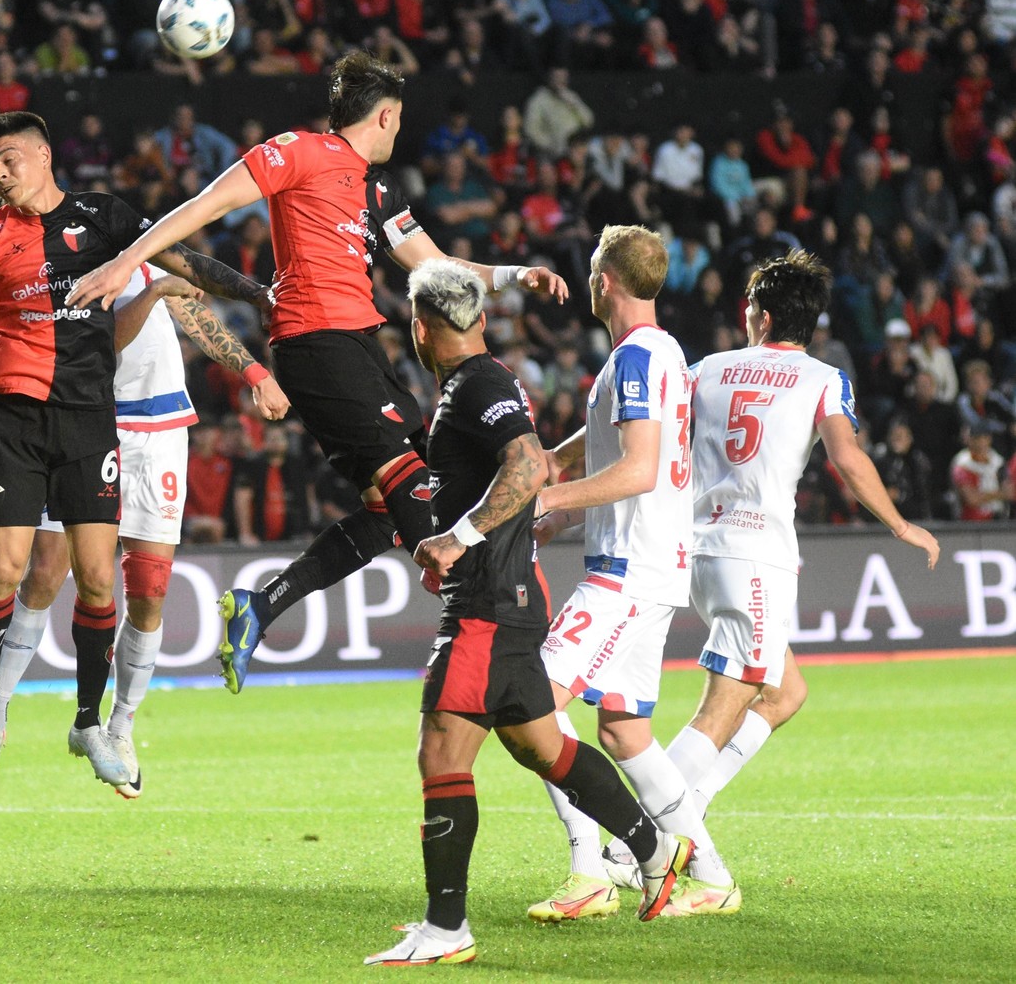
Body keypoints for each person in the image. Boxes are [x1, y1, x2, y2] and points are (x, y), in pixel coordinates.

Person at [67, 52, 568, 694]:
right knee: (410, 481)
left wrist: (512, 275)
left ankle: (264, 604)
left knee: (393, 505)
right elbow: (205, 205)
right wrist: (124, 262)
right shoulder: (296, 152)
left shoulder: (376, 189)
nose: (397, 132)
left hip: (360, 343)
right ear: (384, 116)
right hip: (314, 342)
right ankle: (477, 615)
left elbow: (437, 265)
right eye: (398, 121)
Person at [0, 111, 270, 793]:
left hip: (92, 421)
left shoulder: (106, 220)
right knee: (9, 572)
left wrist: (258, 292)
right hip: (17, 420)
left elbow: (183, 262)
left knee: (99, 581)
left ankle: (94, 722)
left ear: (42, 156)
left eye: (7, 160)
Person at [366, 261, 692, 967]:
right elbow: (514, 465)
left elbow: (527, 466)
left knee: (441, 751)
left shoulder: (477, 385)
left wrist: (458, 537)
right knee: (539, 746)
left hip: (486, 604)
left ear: (419, 330)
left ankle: (446, 927)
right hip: (510, 595)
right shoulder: (483, 380)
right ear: (478, 321)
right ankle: (653, 845)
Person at [598, 250, 941, 914]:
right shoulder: (822, 378)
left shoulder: (705, 369)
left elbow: (645, 435)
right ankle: (630, 845)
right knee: (720, 709)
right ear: (810, 322)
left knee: (784, 693)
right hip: (753, 553)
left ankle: (682, 812)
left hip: (695, 545)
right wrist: (900, 526)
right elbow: (845, 455)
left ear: (753, 313)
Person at [0, 263, 290, 797]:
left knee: (149, 591)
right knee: (44, 574)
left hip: (159, 426)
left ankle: (120, 727)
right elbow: (104, 340)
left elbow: (194, 313)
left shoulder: (144, 246)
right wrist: (153, 293)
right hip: (86, 418)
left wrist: (254, 374)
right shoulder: (52, 265)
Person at [525, 225, 736, 920]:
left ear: (605, 279)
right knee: (621, 730)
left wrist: (550, 497)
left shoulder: (636, 360)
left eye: (591, 270)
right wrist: (555, 465)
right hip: (652, 564)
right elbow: (618, 438)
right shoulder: (661, 352)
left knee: (533, 708)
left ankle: (590, 871)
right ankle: (709, 875)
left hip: (626, 571)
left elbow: (639, 467)